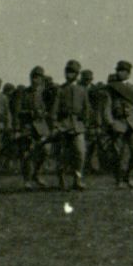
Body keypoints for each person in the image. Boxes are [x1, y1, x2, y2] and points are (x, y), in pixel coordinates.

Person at [51, 60, 92, 190]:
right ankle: (62, 179)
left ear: (77, 74)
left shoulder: (82, 90)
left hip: (77, 125)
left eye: (72, 72)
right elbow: (55, 108)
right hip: (63, 124)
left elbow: (86, 108)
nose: (69, 74)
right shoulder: (60, 90)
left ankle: (77, 179)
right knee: (63, 154)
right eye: (68, 72)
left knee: (80, 152)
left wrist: (86, 123)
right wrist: (55, 124)